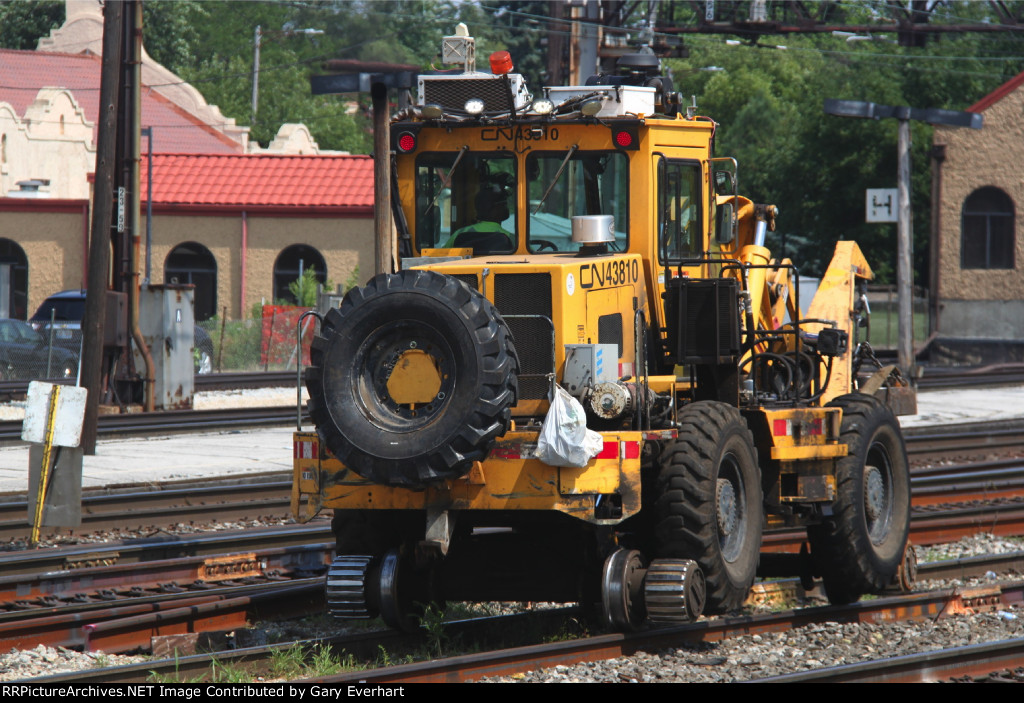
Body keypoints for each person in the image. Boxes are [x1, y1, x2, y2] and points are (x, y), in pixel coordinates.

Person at [441, 182, 514, 252]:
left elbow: (442, 255)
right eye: (504, 204)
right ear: (496, 208)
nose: (507, 208)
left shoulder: (458, 234)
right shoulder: (511, 239)